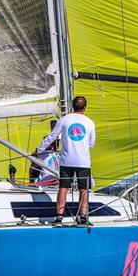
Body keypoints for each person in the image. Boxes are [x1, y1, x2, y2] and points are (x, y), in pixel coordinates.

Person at [34, 96, 96, 225]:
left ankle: (59, 217)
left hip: (67, 161)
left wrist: (38, 151)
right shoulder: (90, 122)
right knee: (83, 189)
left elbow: (51, 137)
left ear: (72, 106)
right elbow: (91, 143)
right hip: (83, 161)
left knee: (63, 188)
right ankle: (83, 217)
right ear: (85, 107)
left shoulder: (64, 120)